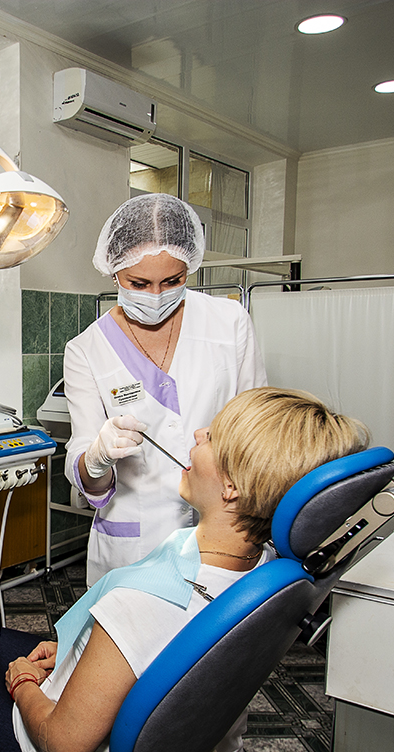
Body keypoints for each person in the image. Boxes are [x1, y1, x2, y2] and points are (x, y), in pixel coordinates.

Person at [0, 388, 370, 752]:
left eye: (213, 436)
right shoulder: (259, 573)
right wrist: (79, 654)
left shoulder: (146, 603)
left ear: (232, 487)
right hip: (121, 749)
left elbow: (62, 748)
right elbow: (151, 658)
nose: (198, 434)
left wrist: (22, 685)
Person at [64, 194, 267, 586]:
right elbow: (86, 472)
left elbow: (258, 433)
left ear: (190, 266)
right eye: (139, 283)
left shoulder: (229, 323)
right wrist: (97, 458)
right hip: (134, 542)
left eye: (173, 281)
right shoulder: (86, 349)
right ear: (114, 272)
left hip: (223, 533)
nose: (156, 295)